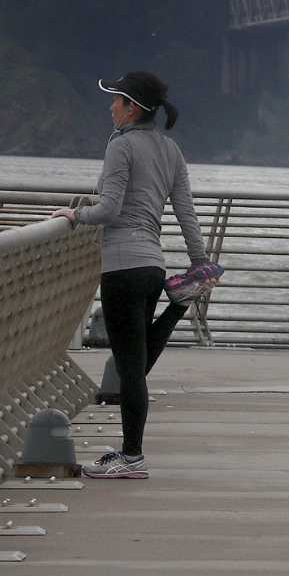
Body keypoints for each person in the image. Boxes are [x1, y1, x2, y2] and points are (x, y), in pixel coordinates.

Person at [50, 71, 218, 478]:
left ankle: (132, 457)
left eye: (117, 100)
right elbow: (185, 211)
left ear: (133, 108)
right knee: (134, 364)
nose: (111, 106)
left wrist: (74, 214)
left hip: (122, 267)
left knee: (130, 368)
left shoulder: (121, 148)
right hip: (152, 265)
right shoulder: (170, 149)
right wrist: (199, 263)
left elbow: (108, 210)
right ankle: (178, 305)